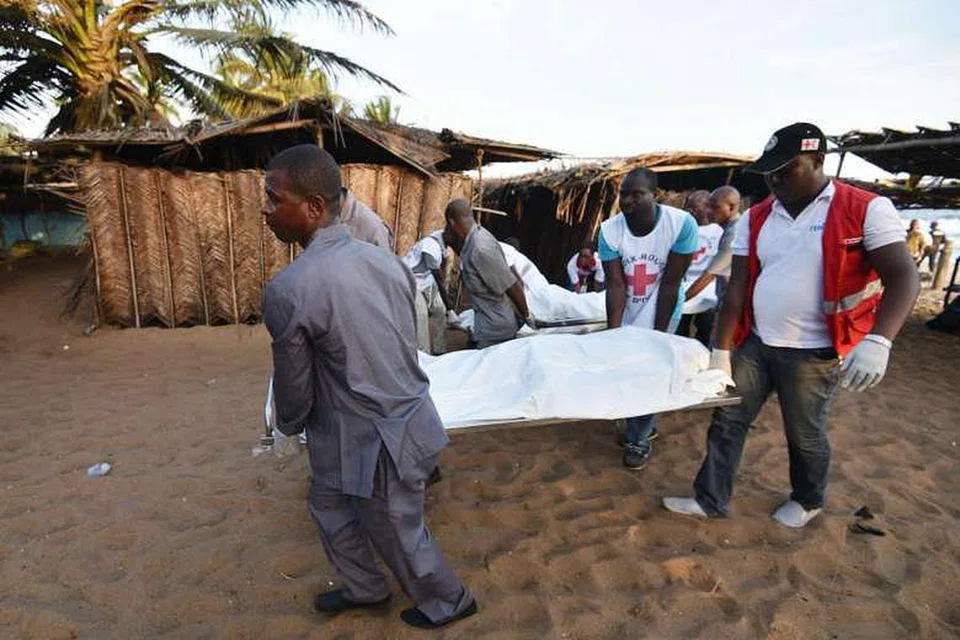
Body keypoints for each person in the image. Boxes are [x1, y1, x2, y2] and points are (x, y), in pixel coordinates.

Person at [261, 144, 476, 629]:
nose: (266, 209)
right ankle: (365, 586)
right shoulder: (387, 262)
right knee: (328, 501)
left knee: (397, 526)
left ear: (314, 208)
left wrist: (288, 426)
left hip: (377, 437)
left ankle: (451, 601)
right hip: (391, 421)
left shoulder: (289, 289)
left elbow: (294, 387)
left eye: (275, 199)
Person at [663, 123, 919, 528]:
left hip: (815, 350)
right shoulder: (758, 217)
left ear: (818, 161)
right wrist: (722, 349)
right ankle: (709, 498)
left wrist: (879, 341)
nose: (775, 179)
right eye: (770, 171)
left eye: (787, 169)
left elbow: (903, 276)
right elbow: (739, 286)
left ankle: (808, 499)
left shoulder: (865, 208)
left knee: (804, 433)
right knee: (727, 420)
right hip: (757, 342)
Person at [600, 168, 699, 469]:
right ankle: (641, 422)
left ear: (654, 195)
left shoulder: (681, 225)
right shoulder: (610, 230)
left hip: (663, 306)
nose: (627, 201)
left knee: (651, 369)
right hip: (628, 305)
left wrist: (659, 336)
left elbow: (671, 283)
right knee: (627, 367)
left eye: (637, 194)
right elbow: (615, 285)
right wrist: (613, 333)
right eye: (623, 194)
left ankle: (639, 439)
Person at [444, 199, 532, 348]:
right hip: (487, 326)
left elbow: (512, 285)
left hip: (496, 331)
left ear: (451, 222)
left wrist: (527, 317)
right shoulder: (476, 238)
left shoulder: (480, 248)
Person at [683, 186, 742, 330]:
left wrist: (680, 301)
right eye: (708, 206)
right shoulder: (728, 228)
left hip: (729, 307)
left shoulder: (735, 233)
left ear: (731, 207)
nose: (709, 211)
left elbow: (709, 275)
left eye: (714, 207)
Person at [678, 192, 724, 345]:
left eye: (694, 207)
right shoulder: (683, 229)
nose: (689, 210)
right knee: (679, 331)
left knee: (705, 330)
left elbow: (717, 266)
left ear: (707, 207)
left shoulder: (719, 231)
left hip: (707, 291)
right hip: (683, 287)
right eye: (688, 207)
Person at [403, 230, 452, 354]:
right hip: (412, 280)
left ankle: (439, 350)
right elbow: (439, 278)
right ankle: (423, 354)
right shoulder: (429, 247)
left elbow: (443, 268)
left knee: (440, 310)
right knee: (421, 315)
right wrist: (450, 308)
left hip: (427, 280)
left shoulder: (442, 239)